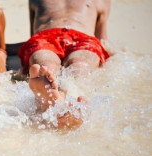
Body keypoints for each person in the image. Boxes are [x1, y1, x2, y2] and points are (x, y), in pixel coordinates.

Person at [9, 0, 111, 129]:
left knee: (63, 65)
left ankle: (55, 100)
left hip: (76, 39)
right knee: (67, 66)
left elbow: (102, 40)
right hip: (49, 37)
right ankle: (68, 104)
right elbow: (104, 40)